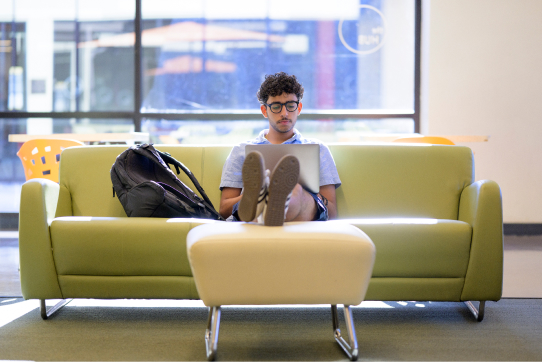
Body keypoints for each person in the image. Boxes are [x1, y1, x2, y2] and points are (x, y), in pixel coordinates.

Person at [219, 72, 341, 225]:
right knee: (274, 194)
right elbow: (224, 209)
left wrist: (302, 193)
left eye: (290, 106)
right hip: (257, 216)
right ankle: (261, 199)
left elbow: (332, 210)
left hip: (301, 211)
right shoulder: (241, 151)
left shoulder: (318, 149)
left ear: (299, 108)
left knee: (293, 190)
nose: (285, 113)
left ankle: (264, 202)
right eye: (276, 106)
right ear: (264, 110)